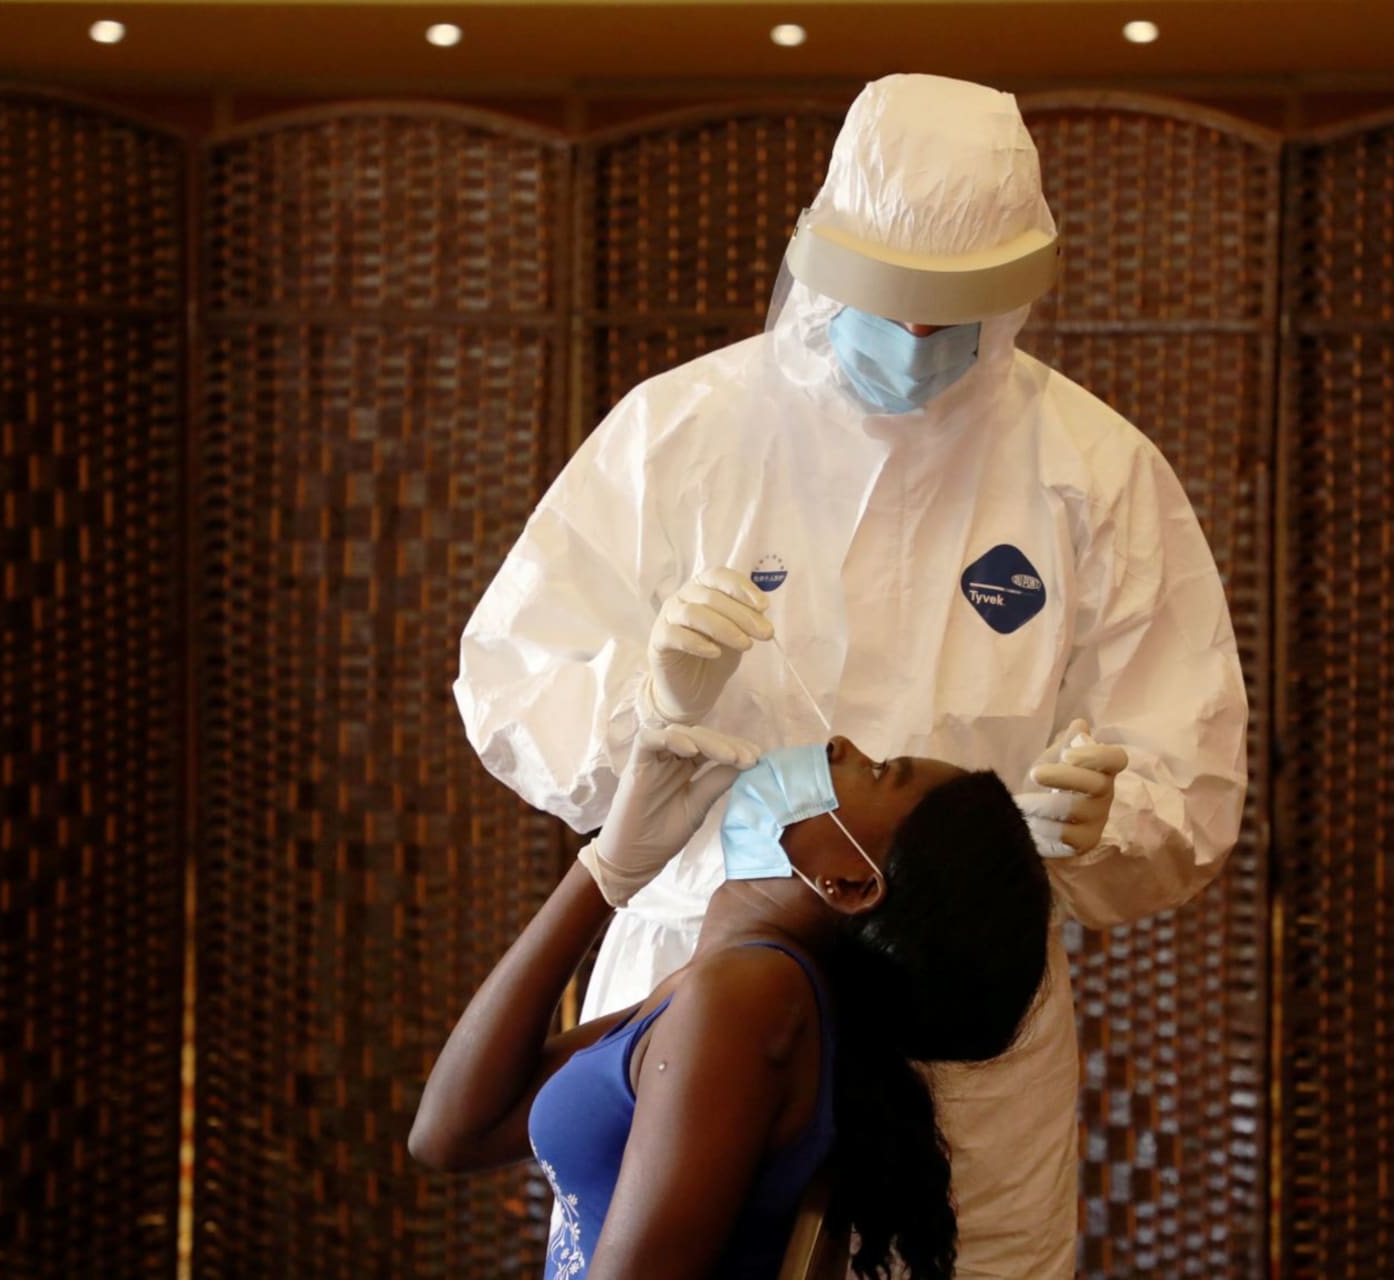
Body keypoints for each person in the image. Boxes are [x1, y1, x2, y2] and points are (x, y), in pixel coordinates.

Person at [453, 73, 1248, 1276]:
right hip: (709, 962)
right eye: (893, 304)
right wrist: (651, 713)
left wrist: (1091, 827)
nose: (917, 341)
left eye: (952, 313)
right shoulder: (682, 435)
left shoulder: (1092, 473)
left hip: (954, 1024)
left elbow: (1185, 778)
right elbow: (513, 678)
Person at [410, 727, 1053, 1280]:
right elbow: (455, 1133)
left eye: (878, 771)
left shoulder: (749, 998)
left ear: (849, 884)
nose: (839, 744)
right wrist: (606, 869)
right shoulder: (732, 983)